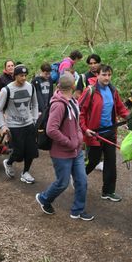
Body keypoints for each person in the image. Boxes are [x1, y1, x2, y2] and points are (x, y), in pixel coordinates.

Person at [36, 73, 94, 221]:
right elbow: (51, 130)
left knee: (82, 180)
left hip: (76, 150)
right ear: (73, 85)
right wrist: (69, 142)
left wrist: (79, 138)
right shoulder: (58, 105)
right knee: (62, 183)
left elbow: (75, 123)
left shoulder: (73, 101)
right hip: (61, 152)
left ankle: (77, 210)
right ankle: (44, 198)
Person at [79, 64, 129, 202]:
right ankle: (77, 176)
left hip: (110, 132)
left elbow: (120, 108)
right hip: (94, 134)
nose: (107, 78)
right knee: (93, 161)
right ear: (97, 75)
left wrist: (130, 118)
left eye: (109, 75)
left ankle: (108, 191)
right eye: (104, 75)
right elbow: (80, 112)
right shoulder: (90, 91)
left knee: (111, 162)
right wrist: (84, 129)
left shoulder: (113, 90)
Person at [0, 64, 39, 184]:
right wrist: (3, 126)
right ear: (15, 76)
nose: (24, 78)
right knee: (18, 153)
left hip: (29, 123)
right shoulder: (6, 90)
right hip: (14, 126)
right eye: (21, 76)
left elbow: (35, 104)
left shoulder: (31, 87)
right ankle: (9, 163)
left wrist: (34, 118)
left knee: (31, 150)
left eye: (25, 75)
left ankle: (25, 172)